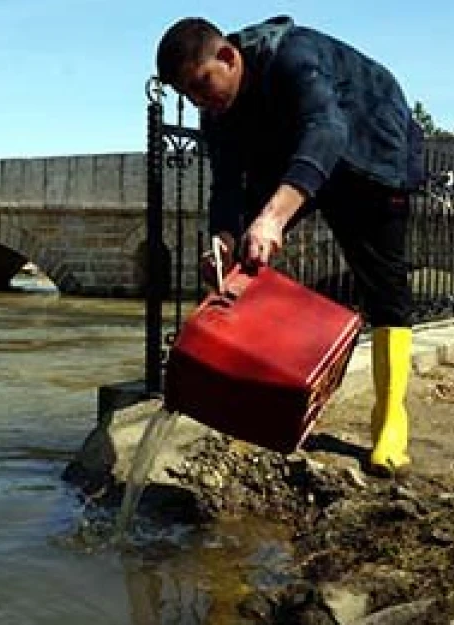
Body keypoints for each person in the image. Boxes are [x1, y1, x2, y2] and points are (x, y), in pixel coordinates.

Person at [155, 16, 425, 477]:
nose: (201, 101)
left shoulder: (293, 56)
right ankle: (249, 385)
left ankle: (390, 422)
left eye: (202, 85)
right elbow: (225, 185)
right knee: (246, 251)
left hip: (370, 153)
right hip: (291, 153)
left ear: (227, 57)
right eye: (188, 95)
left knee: (385, 288)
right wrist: (222, 237)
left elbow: (327, 131)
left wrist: (274, 216)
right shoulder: (217, 111)